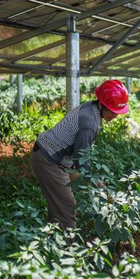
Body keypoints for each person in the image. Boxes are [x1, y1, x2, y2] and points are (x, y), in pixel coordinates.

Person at [30, 79, 129, 229]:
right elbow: (81, 161)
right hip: (49, 161)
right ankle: (66, 250)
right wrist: (97, 183)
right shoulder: (89, 124)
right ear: (101, 104)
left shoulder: (91, 107)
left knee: (58, 208)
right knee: (67, 209)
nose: (114, 115)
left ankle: (50, 245)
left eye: (117, 111)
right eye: (111, 110)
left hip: (49, 156)